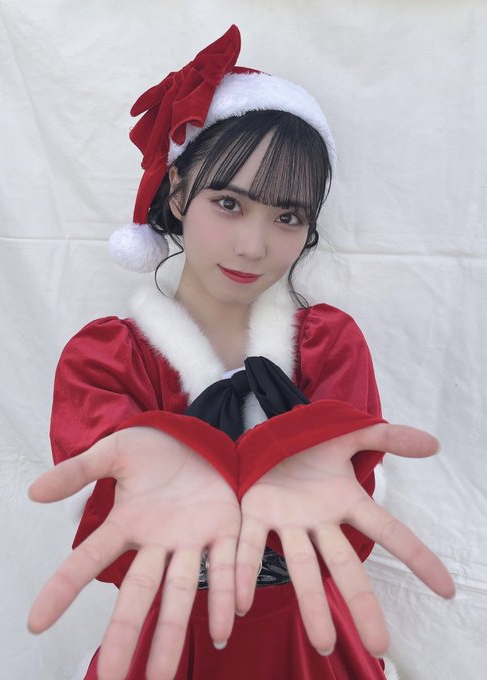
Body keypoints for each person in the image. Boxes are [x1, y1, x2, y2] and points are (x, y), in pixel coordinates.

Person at [27, 25, 455, 680]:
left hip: (310, 646)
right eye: (229, 204)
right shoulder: (107, 359)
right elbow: (110, 509)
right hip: (168, 642)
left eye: (287, 217)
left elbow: (348, 499)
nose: (254, 247)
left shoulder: (330, 344)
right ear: (177, 194)